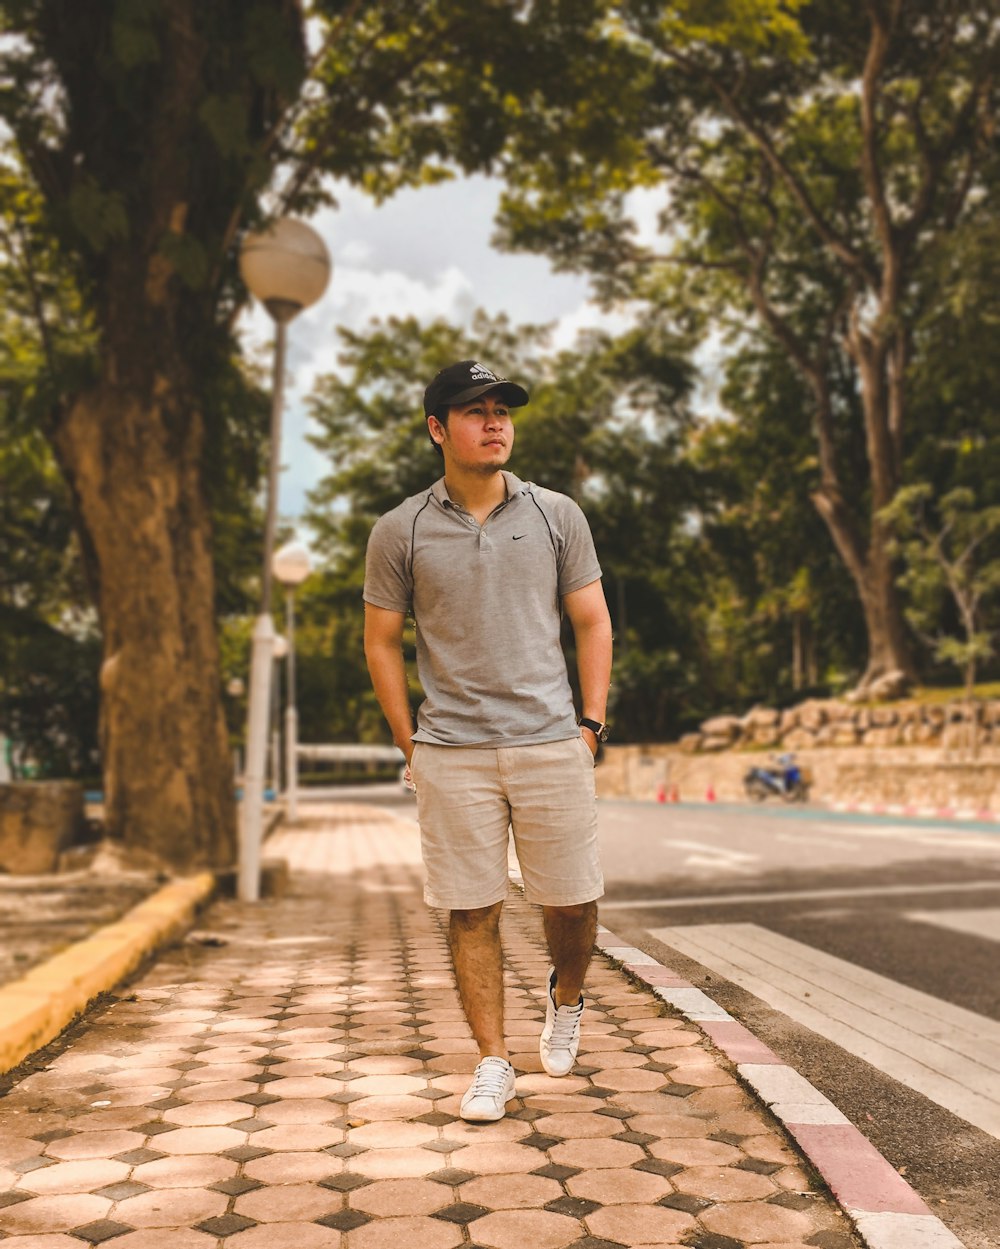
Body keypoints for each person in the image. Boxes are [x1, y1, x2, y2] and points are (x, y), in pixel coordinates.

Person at [363, 359, 612, 1122]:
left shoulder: (555, 514)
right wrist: (414, 746)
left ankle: (565, 996)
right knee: (471, 910)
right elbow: (380, 642)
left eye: (502, 408)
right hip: (453, 750)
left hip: (549, 739)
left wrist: (591, 727)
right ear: (438, 428)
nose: (495, 420)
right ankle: (493, 1061)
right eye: (475, 410)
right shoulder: (400, 528)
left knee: (571, 901)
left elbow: (592, 618)